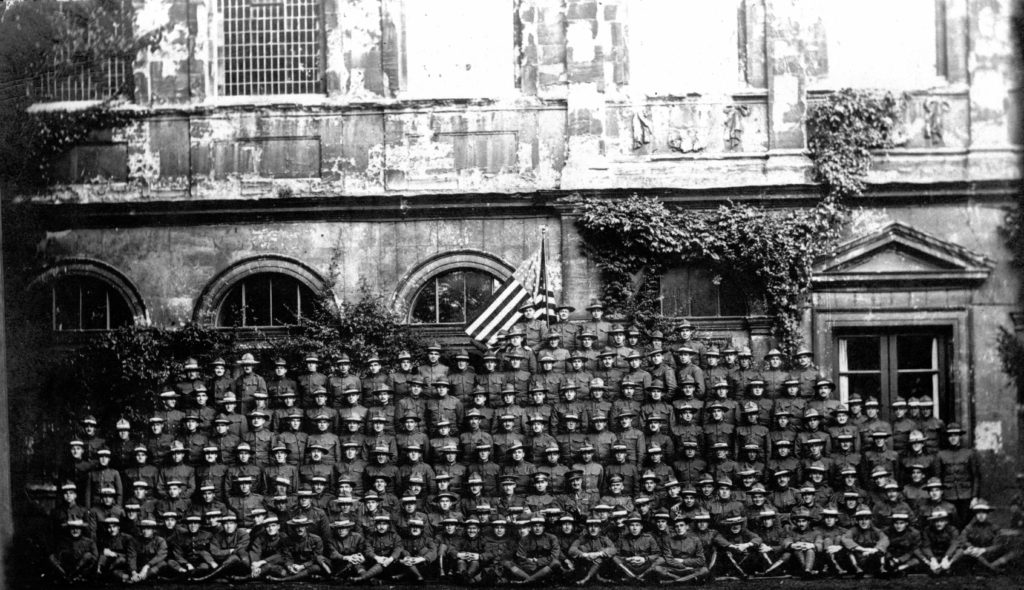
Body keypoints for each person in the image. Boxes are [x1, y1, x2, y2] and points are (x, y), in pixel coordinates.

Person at [507, 515, 561, 583]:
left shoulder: (552, 538)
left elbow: (554, 556)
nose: (537, 528)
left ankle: (528, 581)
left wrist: (538, 561)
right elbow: (520, 557)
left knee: (556, 563)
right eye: (535, 526)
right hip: (528, 567)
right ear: (531, 527)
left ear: (544, 527)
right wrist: (531, 563)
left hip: (544, 566)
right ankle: (534, 579)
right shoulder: (524, 539)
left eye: (540, 526)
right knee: (508, 563)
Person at [654, 516, 707, 583]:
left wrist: (683, 561)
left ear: (687, 527)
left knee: (704, 570)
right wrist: (683, 567)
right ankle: (688, 579)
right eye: (677, 526)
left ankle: (673, 581)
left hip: (691, 569)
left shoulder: (695, 540)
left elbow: (701, 560)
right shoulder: (668, 540)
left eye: (681, 525)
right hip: (675, 569)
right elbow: (668, 559)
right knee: (657, 569)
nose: (679, 528)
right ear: (674, 528)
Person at [568, 517, 617, 585]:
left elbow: (614, 549)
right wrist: (585, 554)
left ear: (599, 528)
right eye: (590, 526)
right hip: (586, 563)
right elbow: (571, 550)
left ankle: (586, 579)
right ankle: (597, 578)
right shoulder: (582, 538)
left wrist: (599, 553)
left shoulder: (603, 538)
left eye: (596, 526)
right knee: (582, 548)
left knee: (600, 557)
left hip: (602, 567)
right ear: (587, 528)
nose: (593, 529)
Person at [47, 519, 96, 584]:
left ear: (81, 529)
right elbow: (57, 556)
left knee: (88, 555)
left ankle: (76, 577)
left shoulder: (89, 542)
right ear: (68, 529)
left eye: (77, 528)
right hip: (65, 569)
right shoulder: (62, 541)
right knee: (51, 557)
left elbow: (95, 557)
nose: (75, 530)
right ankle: (66, 577)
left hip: (82, 571)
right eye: (72, 528)